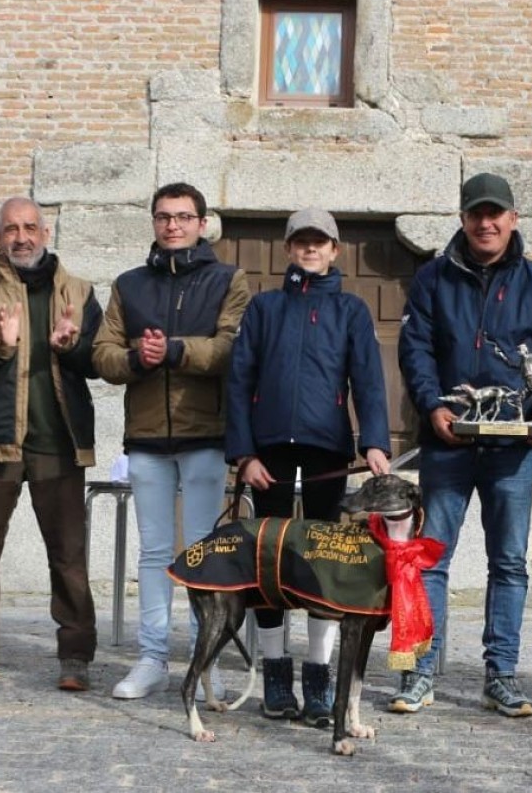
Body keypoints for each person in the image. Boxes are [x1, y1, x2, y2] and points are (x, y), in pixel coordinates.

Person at [395, 172, 532, 717]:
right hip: (448, 442)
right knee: (431, 560)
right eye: (476, 213)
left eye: (495, 214)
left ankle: (501, 674)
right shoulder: (431, 279)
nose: (485, 223)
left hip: (512, 450)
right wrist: (433, 405)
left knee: (510, 563)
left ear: (513, 219)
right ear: (463, 218)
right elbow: (416, 349)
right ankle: (419, 672)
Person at [225, 207, 392, 726]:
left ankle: (318, 675)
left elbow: (368, 380)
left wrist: (375, 443)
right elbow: (239, 380)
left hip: (327, 450)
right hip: (269, 453)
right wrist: (244, 454)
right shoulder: (264, 308)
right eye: (301, 242)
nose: (310, 249)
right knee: (269, 562)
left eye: (319, 242)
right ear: (288, 249)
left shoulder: (351, 310)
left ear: (334, 250)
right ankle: (276, 673)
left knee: (324, 562)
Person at [93, 182, 250, 701]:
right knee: (155, 551)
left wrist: (176, 351)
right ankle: (152, 657)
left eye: (183, 217)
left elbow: (232, 348)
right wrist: (137, 358)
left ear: (202, 224)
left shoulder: (228, 279)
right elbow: (102, 353)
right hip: (146, 438)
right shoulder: (129, 284)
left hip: (205, 434)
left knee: (204, 551)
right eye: (163, 217)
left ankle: (206, 662)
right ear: (154, 223)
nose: (173, 225)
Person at [0, 196, 103, 691]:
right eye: (11, 229)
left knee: (68, 556)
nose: (21, 237)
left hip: (59, 442)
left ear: (45, 233)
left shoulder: (79, 291)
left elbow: (99, 361)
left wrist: (71, 346)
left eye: (30, 227)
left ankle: (75, 658)